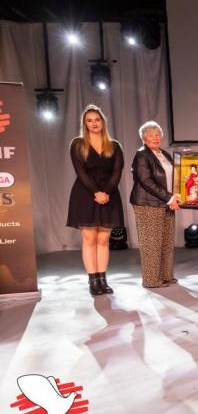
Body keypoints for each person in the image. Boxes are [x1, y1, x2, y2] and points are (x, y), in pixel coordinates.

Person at [67, 105, 125, 295]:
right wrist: (96, 192)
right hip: (85, 193)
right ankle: (92, 280)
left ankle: (102, 279)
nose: (94, 123)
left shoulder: (114, 145)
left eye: (97, 119)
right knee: (90, 237)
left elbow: (117, 172)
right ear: (85, 124)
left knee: (103, 239)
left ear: (103, 122)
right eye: (90, 120)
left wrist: (106, 192)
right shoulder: (77, 144)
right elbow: (80, 172)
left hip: (109, 193)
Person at [129, 121, 180, 288]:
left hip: (166, 203)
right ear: (144, 138)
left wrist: (176, 195)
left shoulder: (164, 153)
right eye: (151, 135)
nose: (155, 138)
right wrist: (169, 197)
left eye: (157, 134)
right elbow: (146, 181)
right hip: (147, 204)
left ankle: (166, 276)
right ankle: (151, 280)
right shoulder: (142, 155)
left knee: (166, 241)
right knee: (151, 243)